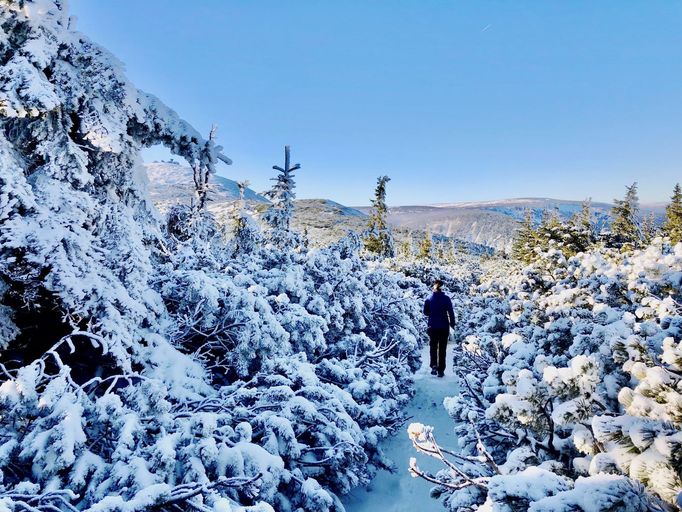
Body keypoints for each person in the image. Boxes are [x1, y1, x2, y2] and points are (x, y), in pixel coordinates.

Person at [423, 279, 456, 377]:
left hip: (432, 326)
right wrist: (452, 324)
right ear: (442, 287)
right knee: (442, 349)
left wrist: (432, 313)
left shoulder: (428, 298)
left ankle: (433, 365)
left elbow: (425, 312)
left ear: (434, 286)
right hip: (444, 327)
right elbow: (451, 312)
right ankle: (441, 370)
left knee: (433, 347)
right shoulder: (446, 299)